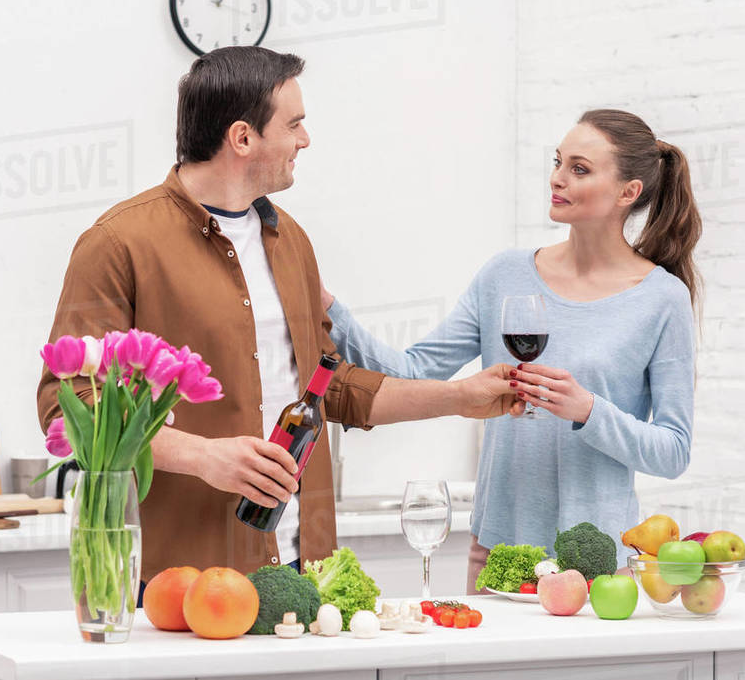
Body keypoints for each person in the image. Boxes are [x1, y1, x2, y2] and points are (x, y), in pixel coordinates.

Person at [37, 46, 524, 587]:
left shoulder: (290, 240)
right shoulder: (117, 243)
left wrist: (461, 397)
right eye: (294, 125)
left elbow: (330, 387)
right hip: (180, 578)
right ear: (243, 138)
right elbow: (67, 406)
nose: (305, 140)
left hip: (303, 566)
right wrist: (204, 457)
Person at [323, 109, 702, 592]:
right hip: (498, 549)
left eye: (579, 169)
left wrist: (588, 410)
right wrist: (331, 312)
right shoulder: (505, 275)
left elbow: (673, 451)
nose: (557, 178)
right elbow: (413, 369)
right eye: (558, 162)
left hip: (599, 560)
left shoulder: (661, 298)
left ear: (628, 192)